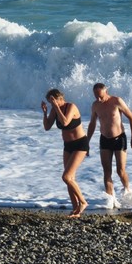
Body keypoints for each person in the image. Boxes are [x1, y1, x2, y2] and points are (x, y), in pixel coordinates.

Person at [87, 83, 132, 207]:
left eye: (100, 96)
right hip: (104, 139)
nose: (98, 99)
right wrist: (86, 142)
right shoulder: (95, 105)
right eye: (96, 96)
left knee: (120, 171)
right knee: (107, 172)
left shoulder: (116, 101)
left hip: (119, 138)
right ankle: (111, 201)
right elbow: (92, 124)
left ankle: (127, 191)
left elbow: (131, 117)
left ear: (106, 91)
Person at [41, 89, 88, 218]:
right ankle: (75, 210)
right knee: (70, 179)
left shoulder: (71, 106)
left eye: (53, 101)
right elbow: (47, 127)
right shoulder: (54, 110)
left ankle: (83, 202)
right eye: (50, 102)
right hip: (67, 146)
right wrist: (45, 113)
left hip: (80, 144)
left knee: (66, 177)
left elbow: (65, 122)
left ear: (59, 98)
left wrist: (56, 107)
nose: (52, 104)